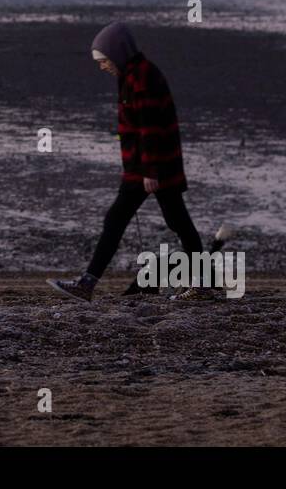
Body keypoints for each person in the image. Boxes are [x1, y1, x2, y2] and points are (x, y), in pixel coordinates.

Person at [48, 22, 209, 301]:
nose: (102, 66)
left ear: (118, 52)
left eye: (104, 60)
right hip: (147, 167)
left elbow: (150, 127)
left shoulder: (141, 77)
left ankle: (203, 285)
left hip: (154, 168)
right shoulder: (131, 75)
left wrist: (150, 171)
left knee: (172, 222)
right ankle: (87, 284)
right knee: (156, 221)